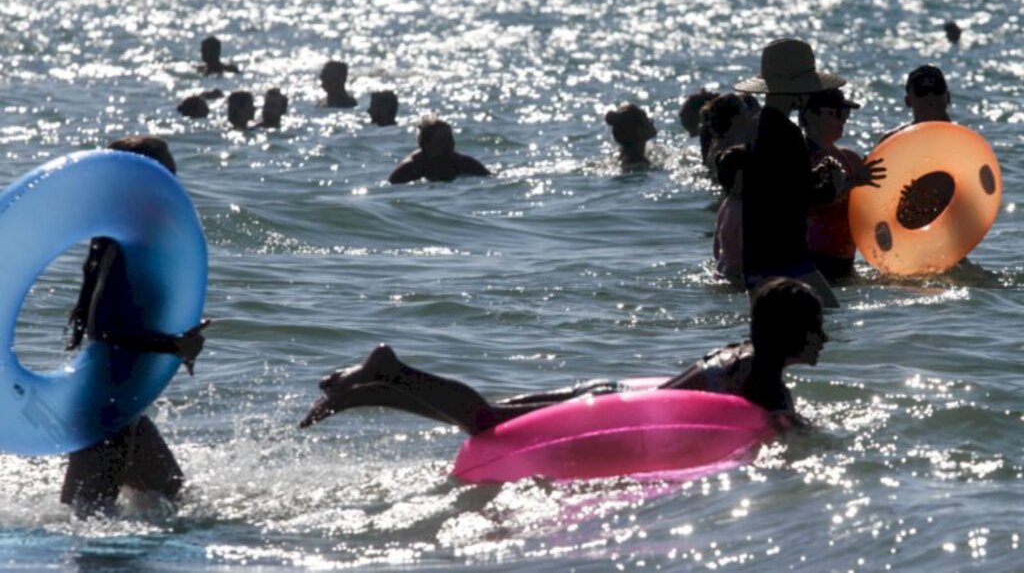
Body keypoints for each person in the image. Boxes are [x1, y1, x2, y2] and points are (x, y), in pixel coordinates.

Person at [299, 277, 827, 434]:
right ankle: (392, 372)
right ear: (792, 335)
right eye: (816, 330)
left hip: (606, 393)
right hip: (606, 407)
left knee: (484, 416)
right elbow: (772, 425)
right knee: (484, 420)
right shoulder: (766, 382)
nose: (823, 340)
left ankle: (373, 392)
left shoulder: (748, 354)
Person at [61, 136, 209, 518]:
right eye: (166, 174)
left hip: (117, 398)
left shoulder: (132, 235)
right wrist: (173, 346)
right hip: (105, 402)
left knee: (177, 501)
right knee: (90, 522)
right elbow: (104, 325)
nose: (173, 185)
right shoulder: (127, 242)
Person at [735, 38, 847, 308]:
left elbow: (775, 186)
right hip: (785, 255)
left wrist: (815, 173)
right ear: (797, 90)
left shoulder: (757, 125)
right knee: (829, 316)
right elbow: (801, 199)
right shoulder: (788, 132)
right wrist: (835, 185)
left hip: (756, 253)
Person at [799, 89, 887, 280]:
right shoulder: (801, 159)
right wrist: (853, 182)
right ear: (810, 115)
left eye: (846, 114)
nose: (844, 120)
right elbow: (810, 202)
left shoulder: (849, 158)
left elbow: (875, 206)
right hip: (811, 263)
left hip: (846, 263)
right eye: (836, 114)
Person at [879, 64, 957, 232]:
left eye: (936, 91)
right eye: (921, 92)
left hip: (949, 239)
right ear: (908, 101)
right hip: (905, 236)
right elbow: (877, 198)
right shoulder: (891, 142)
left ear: (948, 97)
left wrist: (930, 200)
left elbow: (972, 201)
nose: (930, 98)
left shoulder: (963, 145)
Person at [388, 117, 490, 184]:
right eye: (442, 141)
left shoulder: (464, 163)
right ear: (426, 144)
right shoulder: (409, 169)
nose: (449, 144)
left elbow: (488, 180)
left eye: (450, 139)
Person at [713, 146, 748, 290]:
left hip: (722, 271)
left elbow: (716, 248)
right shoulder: (746, 212)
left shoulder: (727, 205)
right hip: (739, 278)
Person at [702, 94, 754, 181]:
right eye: (745, 109)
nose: (749, 113)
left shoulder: (716, 143)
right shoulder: (734, 146)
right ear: (735, 119)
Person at [604, 103, 657, 171]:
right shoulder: (642, 167)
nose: (651, 122)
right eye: (646, 119)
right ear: (639, 130)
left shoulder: (620, 159)